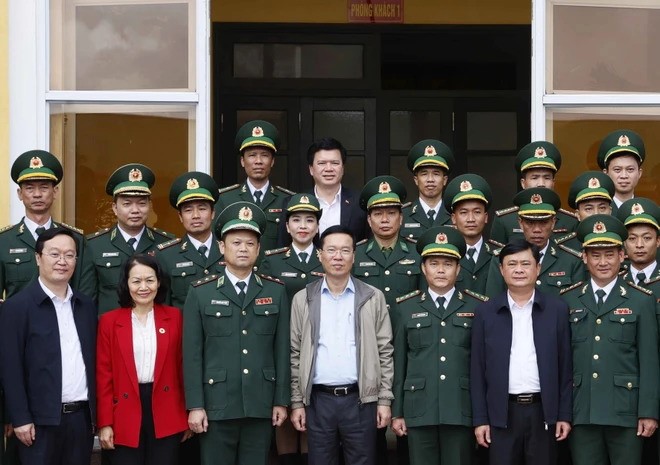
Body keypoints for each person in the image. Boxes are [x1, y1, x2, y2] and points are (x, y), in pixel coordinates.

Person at [183, 201, 290, 465]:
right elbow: (192, 354)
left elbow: (282, 350)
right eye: (236, 242)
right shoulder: (200, 292)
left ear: (258, 249)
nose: (243, 249)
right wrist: (195, 405)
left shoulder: (275, 291)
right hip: (217, 404)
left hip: (260, 402)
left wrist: (281, 400)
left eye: (250, 243)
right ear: (222, 247)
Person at [290, 225, 394, 465]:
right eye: (332, 250)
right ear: (320, 255)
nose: (338, 256)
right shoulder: (303, 298)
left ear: (354, 256)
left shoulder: (372, 297)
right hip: (318, 401)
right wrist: (296, 402)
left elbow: (385, 352)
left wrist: (384, 400)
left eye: (345, 250)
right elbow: (295, 353)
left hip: (360, 401)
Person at [560, 214, 659, 465]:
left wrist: (648, 412)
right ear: (584, 258)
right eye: (595, 255)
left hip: (626, 412)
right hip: (581, 411)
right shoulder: (568, 300)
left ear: (621, 256)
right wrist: (562, 411)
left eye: (609, 254)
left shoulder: (641, 300)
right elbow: (562, 361)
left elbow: (649, 361)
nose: (603, 262)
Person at [470, 239, 573, 465]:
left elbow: (565, 368)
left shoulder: (557, 310)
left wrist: (564, 415)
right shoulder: (486, 312)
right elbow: (477, 371)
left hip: (543, 413)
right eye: (512, 264)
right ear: (501, 269)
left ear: (538, 268)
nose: (519, 270)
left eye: (526, 264)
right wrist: (480, 419)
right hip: (501, 414)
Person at [391, 226, 488, 465]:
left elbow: (482, 366)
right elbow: (400, 363)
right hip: (418, 408)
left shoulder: (477, 307)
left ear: (458, 269)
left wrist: (481, 416)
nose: (441, 270)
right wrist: (397, 412)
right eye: (434, 264)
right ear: (423, 268)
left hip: (460, 408)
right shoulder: (405, 307)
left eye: (448, 264)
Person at [0, 228, 97, 465]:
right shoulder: (17, 307)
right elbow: (10, 368)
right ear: (38, 258)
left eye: (69, 255)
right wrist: (20, 418)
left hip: (81, 420)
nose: (62, 261)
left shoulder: (85, 306)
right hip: (38, 424)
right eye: (54, 254)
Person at [96, 254, 190, 465]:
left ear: (159, 282)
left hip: (167, 410)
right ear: (126, 284)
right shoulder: (109, 322)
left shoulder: (176, 317)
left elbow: (184, 368)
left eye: (150, 280)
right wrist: (105, 423)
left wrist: (186, 413)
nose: (143, 287)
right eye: (136, 281)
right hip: (124, 412)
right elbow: (104, 376)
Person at [260, 193, 324, 465]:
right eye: (296, 220)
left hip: (320, 349)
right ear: (286, 226)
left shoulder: (327, 259)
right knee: (285, 413)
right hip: (282, 348)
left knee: (313, 418)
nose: (303, 226)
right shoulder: (271, 261)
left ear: (317, 226)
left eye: (309, 220)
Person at [0, 149, 95, 299]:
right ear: (20, 193)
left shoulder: (75, 238)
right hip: (19, 314)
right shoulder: (4, 241)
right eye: (29, 188)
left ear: (55, 192)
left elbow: (85, 293)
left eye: (44, 187)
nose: (37, 194)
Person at [88, 163, 175, 315]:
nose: (135, 210)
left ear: (150, 206)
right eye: (127, 204)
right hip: (111, 328)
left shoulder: (167, 244)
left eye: (141, 203)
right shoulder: (94, 245)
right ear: (115, 208)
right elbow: (88, 299)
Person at [484, 187, 585, 298]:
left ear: (553, 223)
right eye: (530, 222)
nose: (537, 229)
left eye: (543, 222)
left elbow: (576, 303)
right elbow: (493, 303)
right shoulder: (501, 258)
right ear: (520, 223)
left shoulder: (571, 260)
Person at [215, 120, 294, 251]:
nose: (258, 161)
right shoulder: (224, 199)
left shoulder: (288, 200)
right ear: (242, 161)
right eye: (252, 155)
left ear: (272, 161)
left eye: (264, 155)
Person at [157, 171, 224, 309]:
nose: (196, 215)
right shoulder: (166, 255)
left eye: (202, 208)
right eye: (188, 210)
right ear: (180, 216)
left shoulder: (230, 248)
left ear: (213, 213)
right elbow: (164, 308)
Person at [354, 175, 421, 311]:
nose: (385, 220)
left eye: (391, 213)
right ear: (369, 220)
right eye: (378, 214)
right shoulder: (356, 253)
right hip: (369, 323)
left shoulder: (417, 252)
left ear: (401, 218)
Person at [489, 141, 578, 245]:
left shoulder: (570, 221)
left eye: (547, 178)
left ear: (553, 182)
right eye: (534, 178)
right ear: (523, 183)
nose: (541, 184)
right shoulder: (505, 220)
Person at [442, 174, 497, 295]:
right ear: (453, 218)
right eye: (463, 213)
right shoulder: (445, 254)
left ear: (486, 217)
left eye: (477, 212)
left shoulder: (499, 254)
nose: (471, 219)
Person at [306, 137, 368, 241]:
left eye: (335, 163)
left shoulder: (360, 203)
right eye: (322, 163)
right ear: (311, 169)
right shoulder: (294, 203)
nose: (329, 169)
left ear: (342, 168)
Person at [400, 139, 454, 241]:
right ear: (416, 180)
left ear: (445, 180)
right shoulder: (402, 215)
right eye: (424, 174)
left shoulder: (455, 214)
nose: (430, 179)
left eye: (436, 174)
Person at [555, 171, 616, 251]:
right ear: (578, 215)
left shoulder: (620, 243)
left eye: (602, 208)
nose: (596, 214)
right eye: (589, 209)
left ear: (610, 211)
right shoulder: (565, 247)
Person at [597, 129, 645, 216]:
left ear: (639, 173)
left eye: (630, 169)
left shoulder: (647, 213)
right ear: (606, 173)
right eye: (617, 170)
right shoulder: (597, 212)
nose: (624, 176)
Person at [617, 198, 659, 295]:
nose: (639, 245)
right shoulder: (615, 281)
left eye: (647, 238)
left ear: (658, 241)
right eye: (632, 238)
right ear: (624, 242)